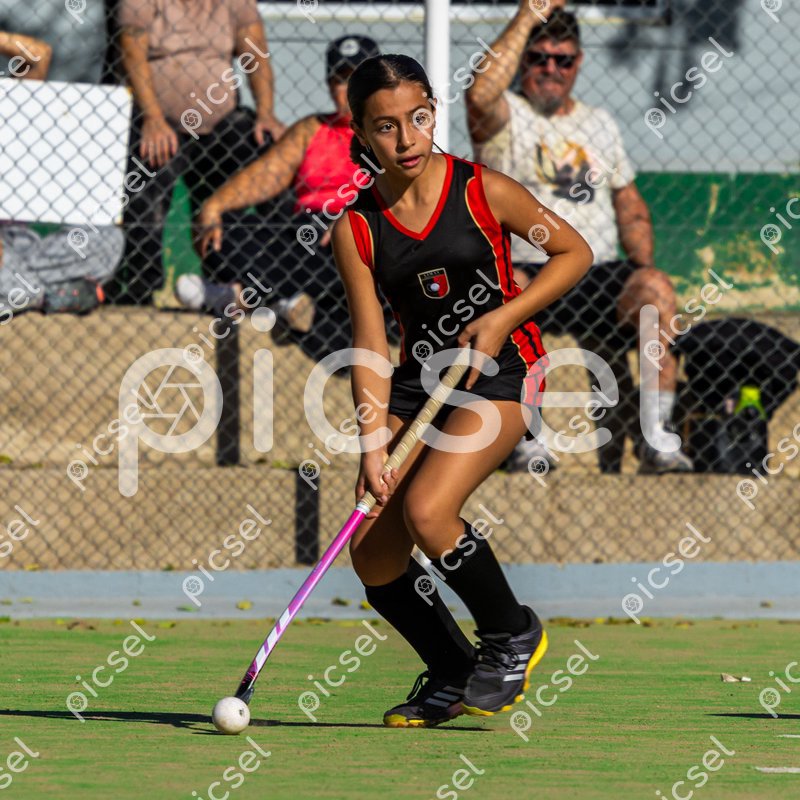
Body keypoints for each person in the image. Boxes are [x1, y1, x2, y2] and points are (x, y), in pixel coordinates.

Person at [331, 54, 593, 726]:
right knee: (374, 553)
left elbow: (574, 253)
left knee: (428, 511)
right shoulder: (357, 228)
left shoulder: (484, 191)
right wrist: (371, 445)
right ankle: (451, 670)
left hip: (504, 370)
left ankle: (511, 633)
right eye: (385, 126)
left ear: (432, 113)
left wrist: (503, 317)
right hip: (419, 386)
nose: (407, 138)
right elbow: (369, 344)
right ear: (360, 132)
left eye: (418, 118)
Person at [465, 1, 693, 473]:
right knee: (511, 291)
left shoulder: (599, 122)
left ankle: (657, 439)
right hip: (529, 270)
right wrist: (527, 16)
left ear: (579, 62)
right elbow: (480, 94)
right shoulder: (507, 116)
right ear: (522, 60)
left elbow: (629, 204)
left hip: (596, 271)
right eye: (539, 58)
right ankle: (526, 439)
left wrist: (643, 268)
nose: (551, 69)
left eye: (563, 60)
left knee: (654, 291)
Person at [191, 35, 380, 356]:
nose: (347, 89)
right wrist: (214, 205)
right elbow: (268, 173)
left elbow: (406, 194)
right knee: (228, 231)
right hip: (302, 231)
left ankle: (241, 297)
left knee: (354, 253)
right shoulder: (312, 128)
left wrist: (353, 217)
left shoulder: (389, 131)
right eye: (339, 80)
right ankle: (283, 301)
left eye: (356, 78)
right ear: (328, 85)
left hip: (359, 230)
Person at [110, 0, 286, 305]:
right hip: (160, 121)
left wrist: (266, 113)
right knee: (145, 189)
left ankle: (255, 280)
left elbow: (255, 53)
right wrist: (152, 117)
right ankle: (140, 286)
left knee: (263, 153)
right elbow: (131, 52)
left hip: (222, 123)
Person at [0, 31, 123, 318]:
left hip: (23, 245)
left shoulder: (10, 103)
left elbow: (37, 55)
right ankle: (46, 295)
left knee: (108, 241)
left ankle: (22, 292)